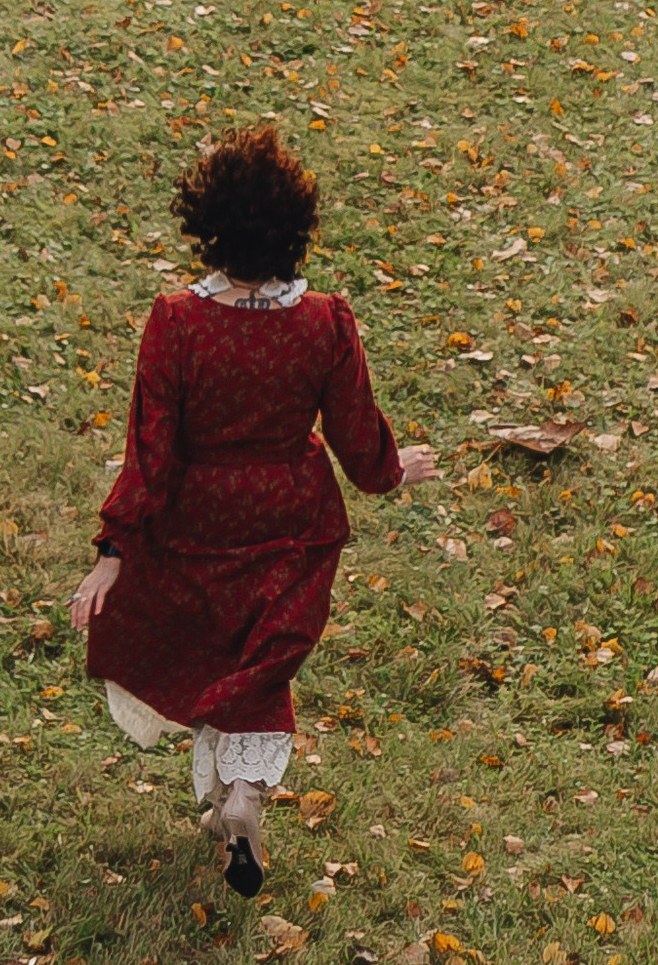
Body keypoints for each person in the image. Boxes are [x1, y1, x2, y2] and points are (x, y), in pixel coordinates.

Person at [68, 124, 435, 896]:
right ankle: (244, 795)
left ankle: (225, 796)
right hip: (292, 520)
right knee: (260, 663)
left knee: (211, 653)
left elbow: (150, 449)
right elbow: (355, 431)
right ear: (295, 229)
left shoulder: (178, 322)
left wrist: (114, 551)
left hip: (197, 520)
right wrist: (394, 473)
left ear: (208, 226)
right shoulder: (325, 321)